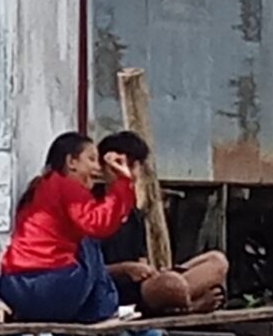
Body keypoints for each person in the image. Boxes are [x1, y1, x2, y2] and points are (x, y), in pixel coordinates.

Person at [0, 132, 140, 324]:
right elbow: (99, 224)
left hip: (13, 286)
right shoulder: (68, 187)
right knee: (88, 240)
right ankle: (105, 308)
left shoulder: (40, 187)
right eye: (91, 159)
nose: (97, 168)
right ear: (71, 162)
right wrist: (122, 181)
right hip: (51, 285)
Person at [95, 130, 230, 316]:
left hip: (145, 285)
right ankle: (190, 307)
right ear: (104, 169)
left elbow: (142, 260)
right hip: (114, 290)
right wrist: (126, 268)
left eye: (133, 166)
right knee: (171, 285)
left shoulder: (133, 213)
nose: (129, 173)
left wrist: (152, 271)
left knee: (216, 261)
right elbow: (86, 274)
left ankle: (178, 299)